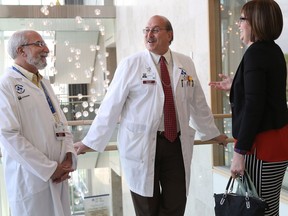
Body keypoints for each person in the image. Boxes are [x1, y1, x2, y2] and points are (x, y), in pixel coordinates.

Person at [74, 15, 227, 216]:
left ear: (169, 34)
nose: (149, 34)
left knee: (176, 202)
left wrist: (212, 133)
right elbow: (110, 107)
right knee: (147, 208)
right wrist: (90, 141)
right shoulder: (131, 64)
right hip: (142, 146)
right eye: (146, 30)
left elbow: (197, 103)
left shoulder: (185, 63)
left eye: (155, 30)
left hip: (175, 145)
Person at [209, 1, 288, 215]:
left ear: (255, 22)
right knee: (267, 209)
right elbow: (264, 93)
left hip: (261, 148)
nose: (239, 24)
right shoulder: (273, 51)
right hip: (276, 144)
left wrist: (239, 152)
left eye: (242, 19)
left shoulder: (255, 54)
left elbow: (255, 106)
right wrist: (236, 84)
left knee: (259, 210)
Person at [0, 30, 77, 216]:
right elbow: (8, 135)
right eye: (39, 44)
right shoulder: (6, 84)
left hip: (59, 174)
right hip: (31, 179)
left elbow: (62, 123)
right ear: (21, 51)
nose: (47, 49)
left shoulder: (44, 83)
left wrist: (68, 154)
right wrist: (49, 169)